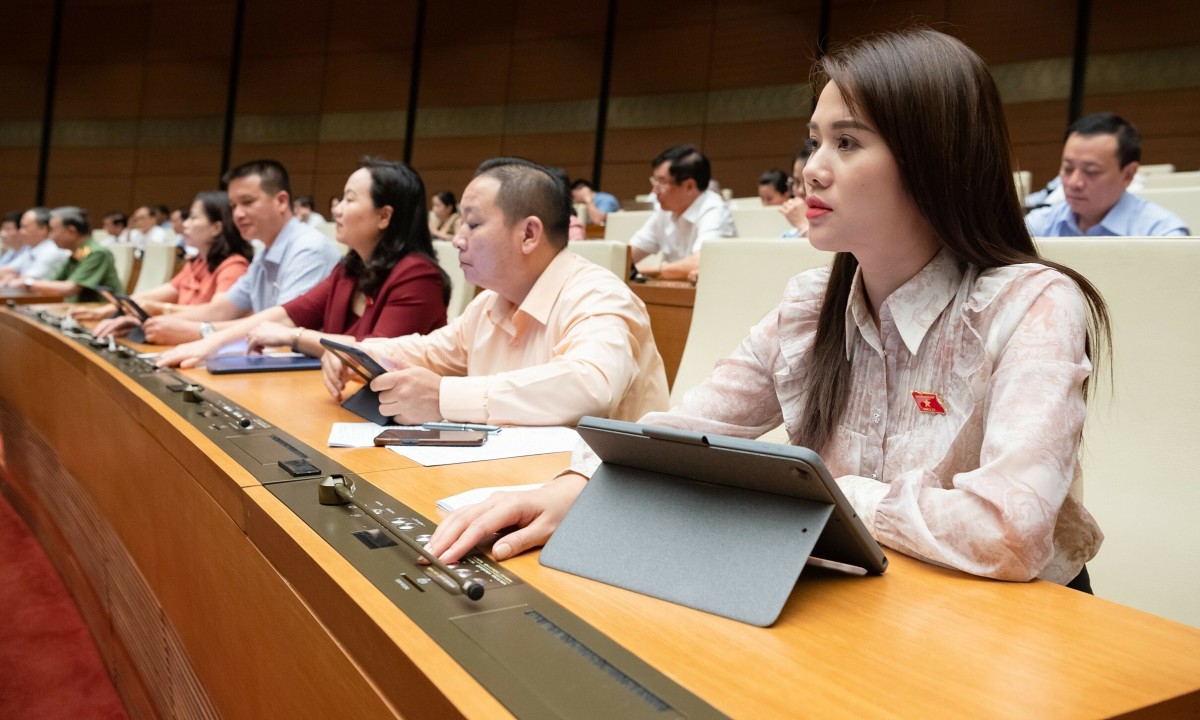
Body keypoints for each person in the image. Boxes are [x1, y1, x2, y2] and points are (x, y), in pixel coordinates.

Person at [427, 29, 1111, 594]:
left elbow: (1009, 531)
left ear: (936, 158)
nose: (811, 169)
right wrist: (574, 482)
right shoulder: (811, 303)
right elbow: (684, 427)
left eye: (847, 142)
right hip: (866, 596)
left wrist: (826, 496)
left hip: (1016, 629)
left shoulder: (1031, 304)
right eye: (815, 141)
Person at [322, 157, 669, 426]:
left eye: (473, 224)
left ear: (529, 234)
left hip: (590, 497)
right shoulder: (490, 303)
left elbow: (590, 385)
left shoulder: (599, 295)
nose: (458, 240)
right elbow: (430, 351)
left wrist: (444, 397)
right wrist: (358, 354)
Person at [155, 159, 449, 367]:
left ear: (384, 216)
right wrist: (208, 344)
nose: (337, 209)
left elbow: (378, 355)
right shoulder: (349, 270)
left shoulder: (417, 276)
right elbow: (284, 314)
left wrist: (295, 337)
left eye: (348, 200)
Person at [141, 159, 341, 346]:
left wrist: (199, 331)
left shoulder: (308, 249)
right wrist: (151, 321)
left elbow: (281, 328)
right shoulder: (264, 254)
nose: (237, 214)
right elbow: (221, 310)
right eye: (233, 206)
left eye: (247, 202)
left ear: (281, 201)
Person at [80, 191, 253, 334]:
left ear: (216, 228)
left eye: (193, 218)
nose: (185, 224)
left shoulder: (234, 266)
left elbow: (218, 313)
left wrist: (162, 310)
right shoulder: (197, 263)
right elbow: (152, 296)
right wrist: (106, 309)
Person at [1025, 113, 1189, 237]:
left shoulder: (1162, 233)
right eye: (1068, 169)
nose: (1074, 182)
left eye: (1091, 172)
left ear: (1128, 175)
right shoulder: (1040, 224)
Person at [628, 145, 737, 280]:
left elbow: (704, 263)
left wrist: (641, 270)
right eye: (654, 181)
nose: (654, 191)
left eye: (661, 182)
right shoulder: (665, 211)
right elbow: (629, 255)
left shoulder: (714, 210)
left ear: (689, 186)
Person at [15, 207, 120, 303]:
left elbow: (69, 289)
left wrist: (27, 283)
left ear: (71, 231)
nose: (50, 236)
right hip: (79, 310)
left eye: (52, 230)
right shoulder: (79, 252)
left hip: (103, 315)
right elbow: (53, 282)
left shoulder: (97, 253)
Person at [0, 207, 69, 283]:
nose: (20, 231)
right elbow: (9, 270)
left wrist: (11, 279)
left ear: (42, 229)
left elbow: (26, 282)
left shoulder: (51, 251)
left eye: (24, 227)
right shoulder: (30, 249)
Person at [780, 144, 813, 238]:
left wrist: (804, 226)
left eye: (809, 182)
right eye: (796, 182)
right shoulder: (788, 235)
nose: (800, 191)